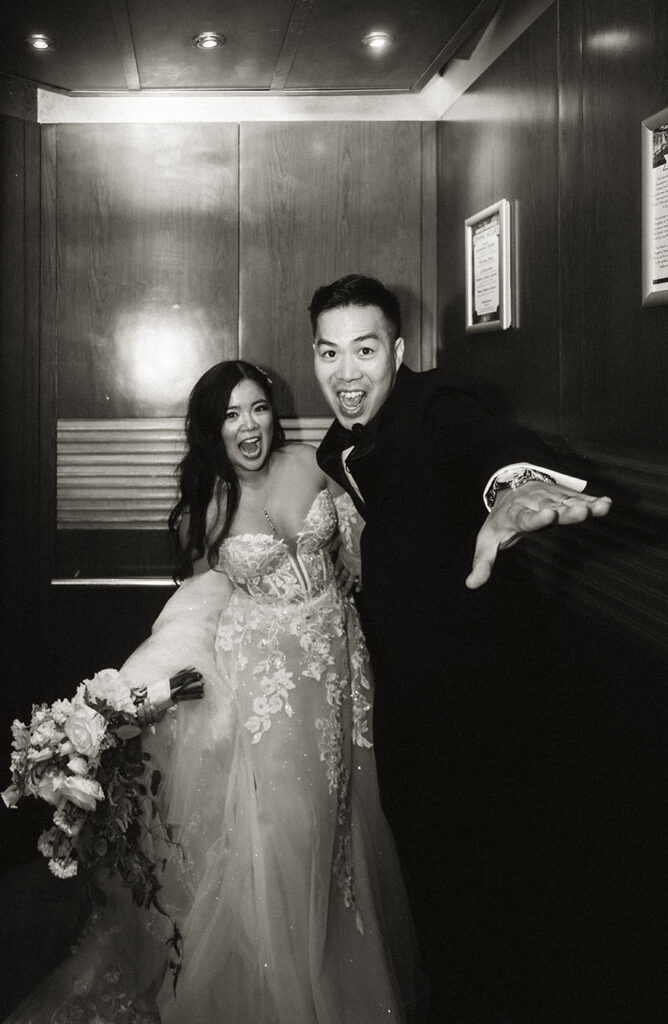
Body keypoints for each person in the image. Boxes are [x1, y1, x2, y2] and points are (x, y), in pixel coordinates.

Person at [3, 360, 423, 1024]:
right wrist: (147, 689)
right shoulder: (209, 507)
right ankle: (290, 993)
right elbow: (199, 609)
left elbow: (364, 558)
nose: (249, 426)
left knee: (344, 828)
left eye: (257, 408)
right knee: (290, 830)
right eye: (231, 415)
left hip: (343, 673)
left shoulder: (315, 466)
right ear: (212, 430)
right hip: (268, 691)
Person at [310, 274, 612, 1023]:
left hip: (476, 698)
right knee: (429, 884)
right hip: (405, 691)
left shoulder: (437, 406)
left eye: (366, 350)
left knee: (480, 897)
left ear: (400, 352)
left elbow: (487, 448)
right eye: (328, 353)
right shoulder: (334, 447)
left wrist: (510, 489)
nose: (346, 375)